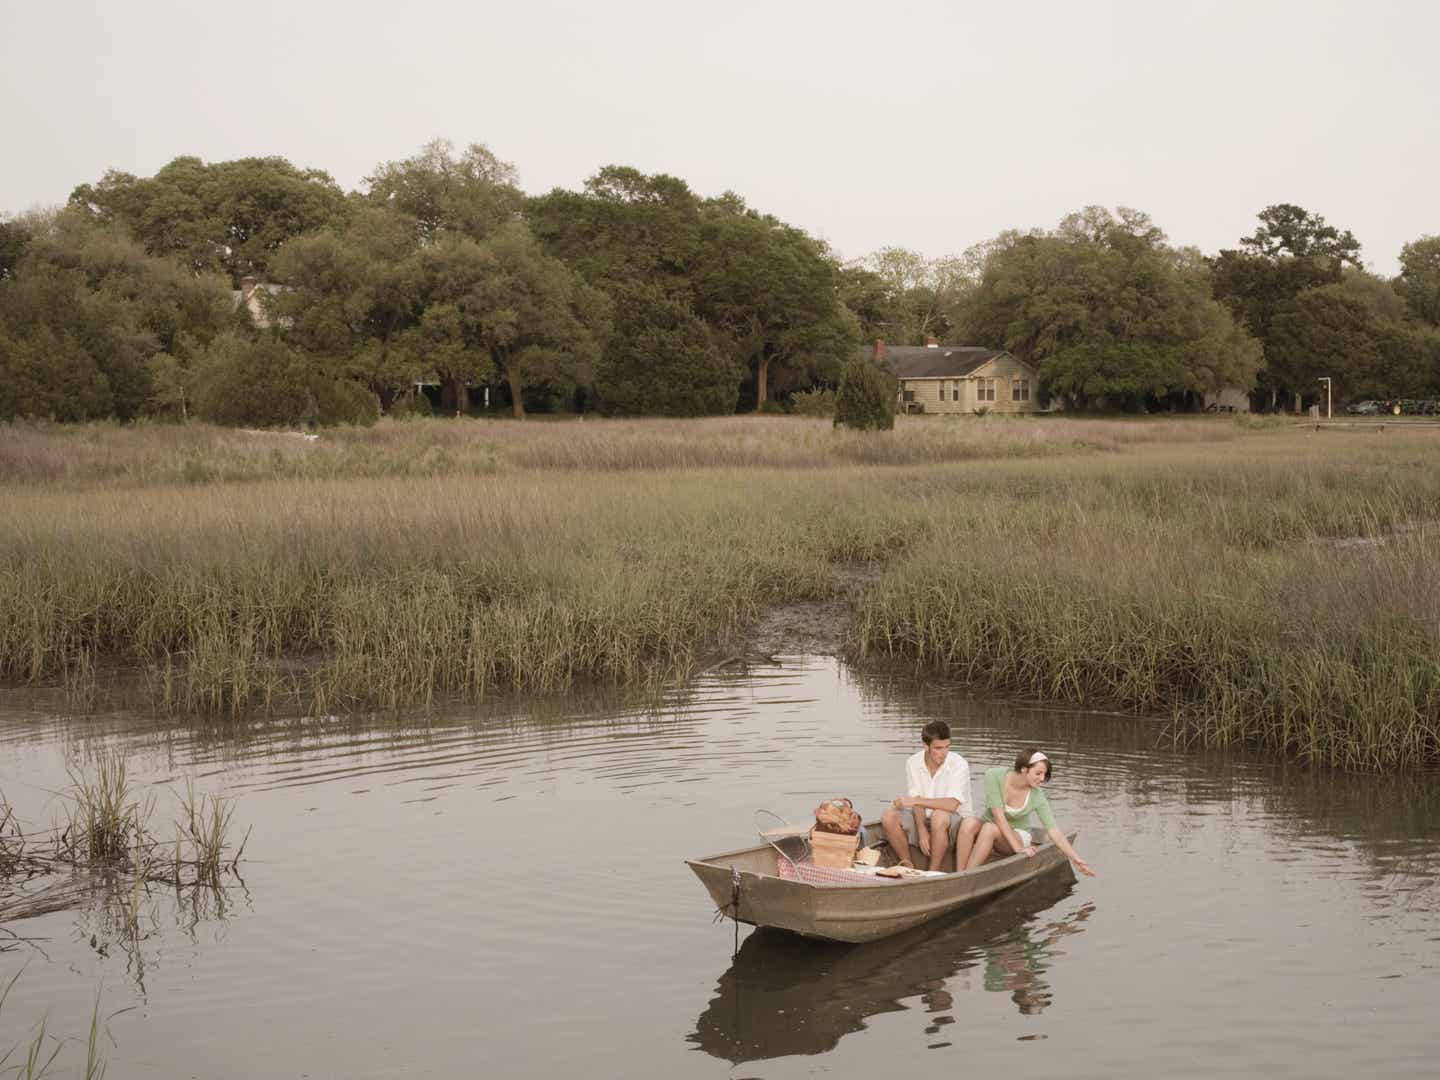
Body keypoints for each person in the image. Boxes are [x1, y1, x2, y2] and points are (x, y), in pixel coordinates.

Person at [964, 746, 1095, 877]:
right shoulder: (993, 775)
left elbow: (1053, 831)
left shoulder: (1037, 796)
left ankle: (966, 878)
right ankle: (958, 873)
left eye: (1044, 774)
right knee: (968, 822)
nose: (1042, 779)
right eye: (1038, 773)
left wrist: (1075, 858)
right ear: (1024, 769)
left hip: (1017, 836)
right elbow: (998, 815)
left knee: (989, 828)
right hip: (991, 827)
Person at [880, 720, 981, 871]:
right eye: (938, 748)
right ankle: (908, 865)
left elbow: (952, 805)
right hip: (925, 819)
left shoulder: (959, 764)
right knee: (889, 816)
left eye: (947, 747)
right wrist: (921, 830)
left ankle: (933, 871)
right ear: (926, 746)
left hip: (955, 825)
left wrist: (914, 801)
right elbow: (917, 803)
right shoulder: (912, 763)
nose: (944, 753)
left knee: (939, 816)